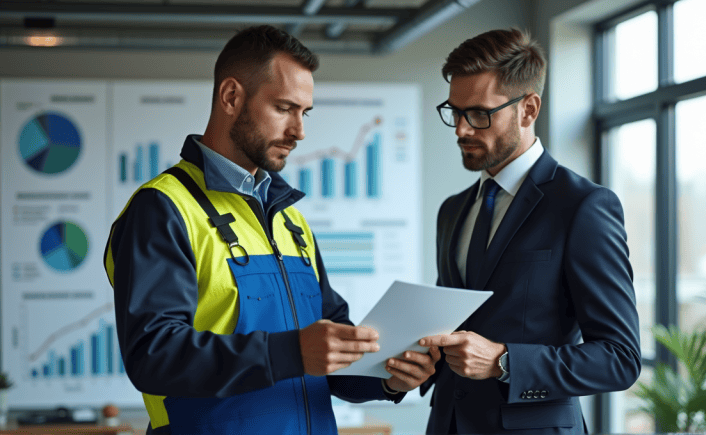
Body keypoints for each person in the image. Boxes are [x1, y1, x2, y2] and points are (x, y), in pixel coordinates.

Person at [104, 25, 439, 435]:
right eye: (284, 108)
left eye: (305, 112)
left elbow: (330, 356)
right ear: (231, 97)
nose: (300, 131)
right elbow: (153, 355)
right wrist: (292, 352)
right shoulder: (163, 209)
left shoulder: (290, 219)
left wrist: (388, 379)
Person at [417, 28, 641, 434]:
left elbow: (619, 358)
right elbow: (454, 323)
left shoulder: (583, 207)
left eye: (479, 114)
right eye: (455, 111)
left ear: (529, 109)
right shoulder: (452, 211)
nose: (461, 130)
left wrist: (506, 362)